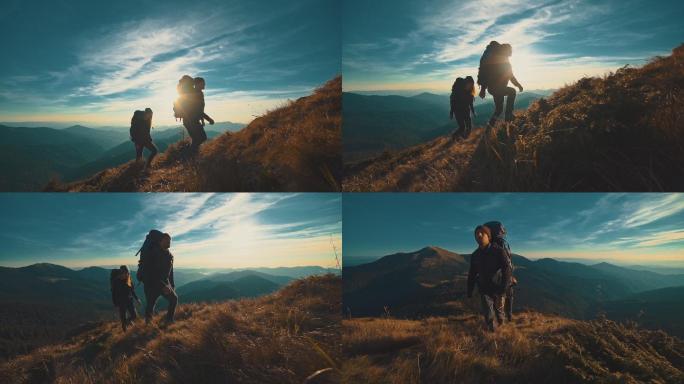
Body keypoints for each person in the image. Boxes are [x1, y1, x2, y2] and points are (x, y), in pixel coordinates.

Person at [467, 225, 512, 331]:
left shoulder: (499, 251)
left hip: (498, 288)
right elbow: (472, 273)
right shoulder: (475, 255)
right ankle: (492, 333)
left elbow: (507, 270)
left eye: (482, 232)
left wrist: (503, 291)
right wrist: (469, 290)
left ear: (488, 236)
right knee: (488, 312)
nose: (479, 235)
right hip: (484, 288)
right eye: (476, 233)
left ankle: (501, 325)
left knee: (499, 313)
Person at [477, 42, 524, 126]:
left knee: (499, 109)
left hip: (493, 88)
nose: (511, 52)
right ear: (506, 50)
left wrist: (483, 89)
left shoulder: (499, 59)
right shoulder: (502, 60)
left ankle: (491, 125)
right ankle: (509, 115)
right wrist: (518, 85)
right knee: (512, 91)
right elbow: (510, 76)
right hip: (496, 88)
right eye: (510, 50)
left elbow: (487, 74)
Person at [141, 232, 178, 326]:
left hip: (164, 284)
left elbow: (170, 273)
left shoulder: (170, 256)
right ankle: (148, 325)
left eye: (170, 241)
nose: (169, 242)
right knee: (150, 304)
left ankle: (169, 321)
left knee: (174, 299)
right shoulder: (153, 254)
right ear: (160, 241)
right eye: (167, 240)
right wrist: (163, 285)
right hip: (151, 284)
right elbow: (151, 272)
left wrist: (172, 285)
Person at [110, 265, 140, 331]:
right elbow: (114, 293)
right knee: (123, 318)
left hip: (129, 300)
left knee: (134, 316)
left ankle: (127, 322)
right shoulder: (116, 281)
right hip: (121, 302)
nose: (126, 275)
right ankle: (124, 331)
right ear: (121, 273)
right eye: (125, 273)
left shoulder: (129, 279)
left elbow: (132, 290)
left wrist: (137, 299)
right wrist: (115, 304)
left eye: (127, 273)